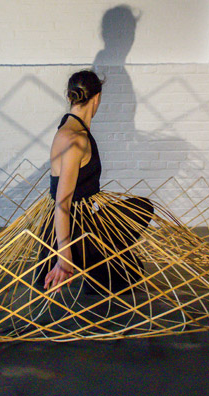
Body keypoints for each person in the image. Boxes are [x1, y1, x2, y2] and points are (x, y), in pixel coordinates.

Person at [41, 70, 152, 295]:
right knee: (129, 276)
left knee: (141, 206)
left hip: (82, 222)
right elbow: (62, 205)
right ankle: (90, 266)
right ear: (97, 98)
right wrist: (64, 257)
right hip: (70, 234)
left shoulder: (70, 126)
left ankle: (99, 265)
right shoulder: (76, 140)